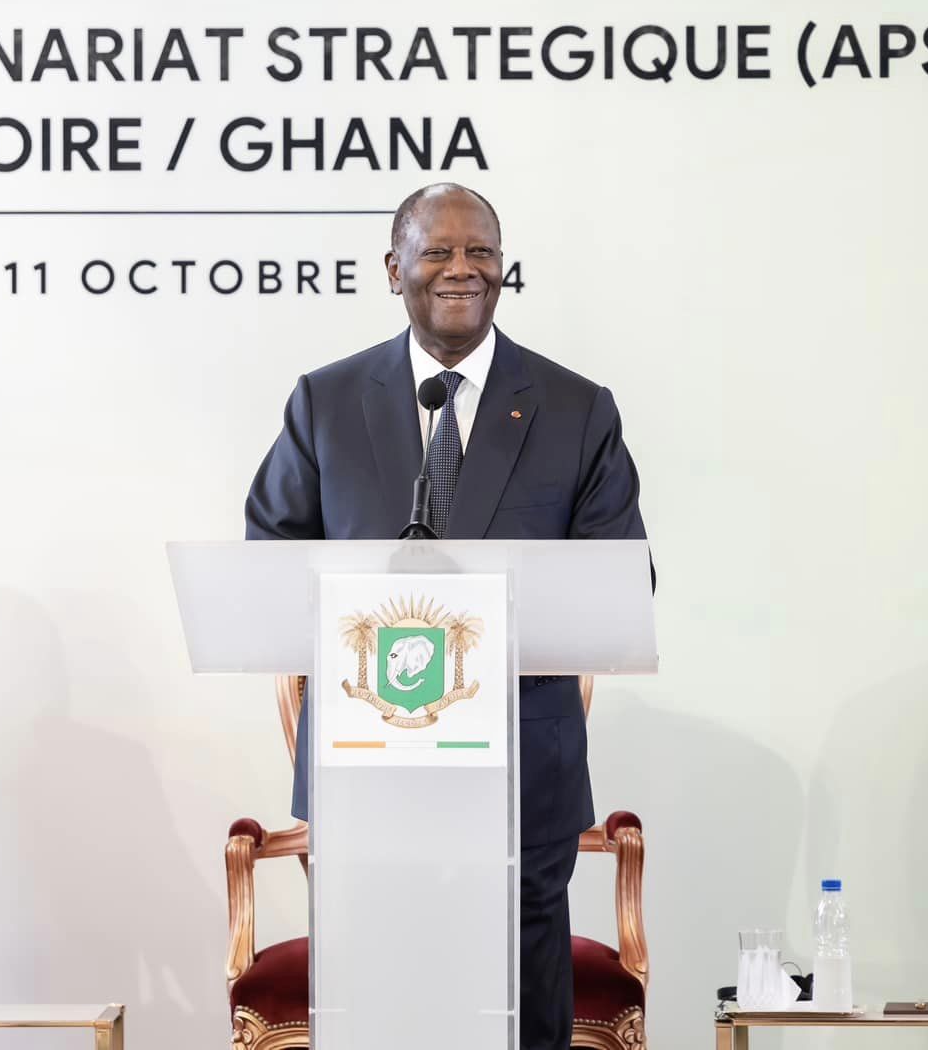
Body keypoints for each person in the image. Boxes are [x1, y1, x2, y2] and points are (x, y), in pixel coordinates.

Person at [243, 183, 648, 1050]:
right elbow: (268, 562)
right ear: (395, 270)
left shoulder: (578, 409)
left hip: (520, 775)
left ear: (503, 271)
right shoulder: (326, 401)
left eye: (482, 253)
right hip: (369, 766)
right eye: (439, 252)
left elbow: (622, 582)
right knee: (380, 1001)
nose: (462, 269)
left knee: (520, 1008)